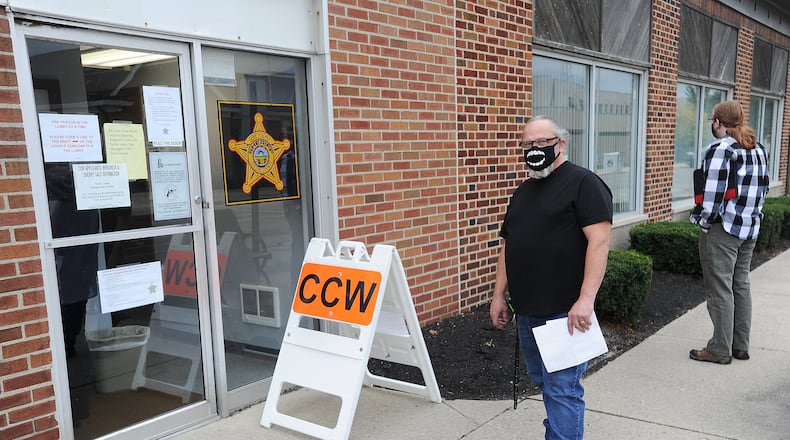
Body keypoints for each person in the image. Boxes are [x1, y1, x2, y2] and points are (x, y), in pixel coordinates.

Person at [490, 115, 613, 439]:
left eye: (541, 142)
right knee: (547, 383)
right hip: (528, 311)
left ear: (561, 143)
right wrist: (499, 295)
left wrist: (586, 300)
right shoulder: (523, 191)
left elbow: (599, 242)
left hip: (565, 312)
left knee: (562, 389)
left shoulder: (584, 184)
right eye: (527, 144)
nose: (534, 149)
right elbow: (508, 245)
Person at [689, 100, 770, 365]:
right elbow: (764, 189)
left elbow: (712, 196)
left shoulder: (720, 149)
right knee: (741, 284)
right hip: (750, 228)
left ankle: (720, 348)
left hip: (723, 229)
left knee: (720, 288)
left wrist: (703, 221)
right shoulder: (758, 148)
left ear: (718, 123)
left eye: (713, 120)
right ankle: (739, 346)